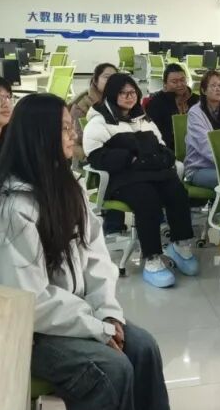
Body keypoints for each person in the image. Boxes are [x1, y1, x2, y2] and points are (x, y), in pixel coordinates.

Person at [0, 94, 199, 410]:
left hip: (72, 314)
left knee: (142, 347)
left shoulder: (66, 185)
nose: (72, 132)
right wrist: (96, 328)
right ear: (38, 137)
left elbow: (97, 258)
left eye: (70, 124)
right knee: (110, 369)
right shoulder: (12, 207)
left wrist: (108, 312)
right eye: (63, 128)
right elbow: (30, 299)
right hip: (28, 330)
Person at [83, 73, 197, 288]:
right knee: (147, 199)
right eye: (123, 93)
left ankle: (179, 244)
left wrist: (158, 158)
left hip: (151, 173)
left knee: (177, 192)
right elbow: (97, 157)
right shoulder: (99, 121)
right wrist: (130, 158)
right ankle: (152, 258)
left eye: (132, 92)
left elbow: (162, 146)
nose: (129, 97)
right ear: (112, 94)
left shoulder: (143, 118)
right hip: (122, 180)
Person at [183, 69, 220, 189]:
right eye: (213, 86)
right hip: (199, 168)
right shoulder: (195, 113)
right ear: (203, 90)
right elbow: (205, 147)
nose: (218, 89)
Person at [145, 63, 199, 153]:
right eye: (174, 82)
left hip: (196, 147)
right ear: (165, 84)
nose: (180, 84)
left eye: (182, 80)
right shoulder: (156, 103)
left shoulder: (196, 100)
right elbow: (153, 134)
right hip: (167, 149)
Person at [71, 62, 118, 160]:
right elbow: (78, 140)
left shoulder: (121, 101)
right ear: (95, 81)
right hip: (91, 155)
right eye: (107, 77)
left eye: (115, 78)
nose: (112, 81)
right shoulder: (81, 106)